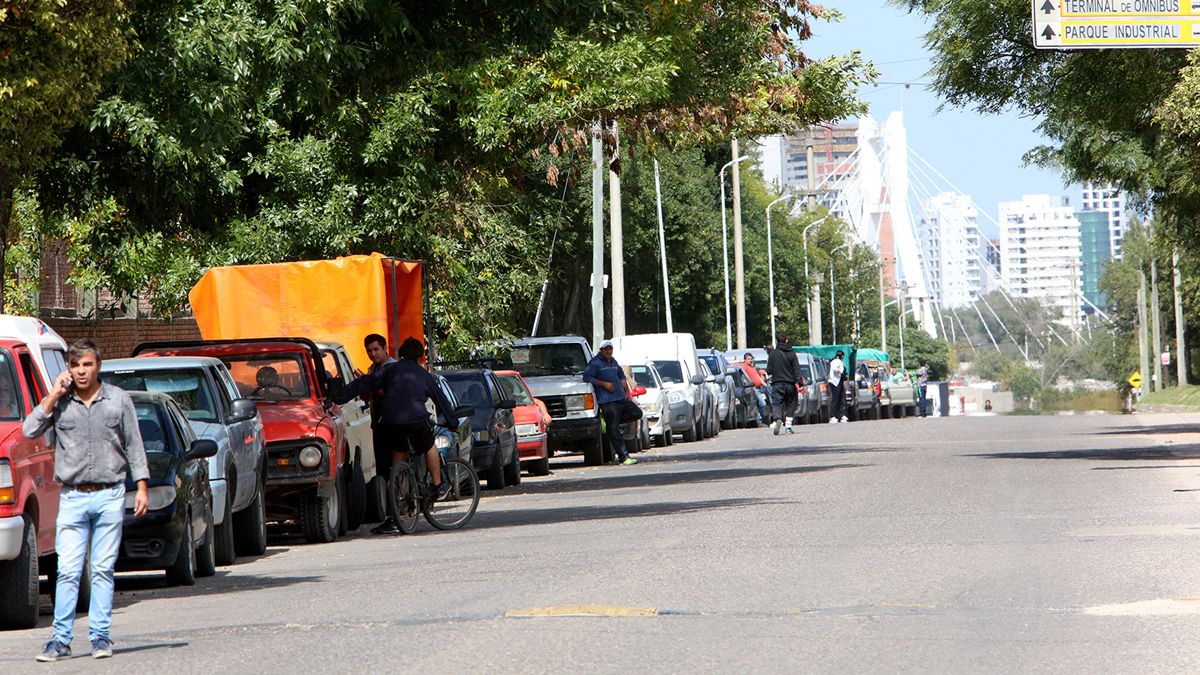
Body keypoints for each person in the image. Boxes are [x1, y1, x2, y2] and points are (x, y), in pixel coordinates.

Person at [24, 339, 149, 662]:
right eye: (75, 365)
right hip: (73, 497)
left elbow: (135, 445)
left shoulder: (117, 400)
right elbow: (29, 430)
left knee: (103, 569)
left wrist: (143, 488)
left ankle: (100, 637)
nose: (81, 371)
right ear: (68, 369)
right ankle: (60, 640)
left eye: (87, 364)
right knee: (67, 570)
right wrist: (53, 394)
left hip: (110, 494)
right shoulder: (61, 403)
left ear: (98, 367)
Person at [333, 336, 458, 535]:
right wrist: (452, 422)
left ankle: (397, 493)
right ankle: (438, 485)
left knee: (398, 454)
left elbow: (364, 384)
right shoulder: (424, 374)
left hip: (391, 422)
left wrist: (336, 396)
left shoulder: (389, 370)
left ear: (399, 355)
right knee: (428, 446)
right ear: (421, 356)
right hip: (416, 420)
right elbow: (440, 399)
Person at [582, 340, 637, 465]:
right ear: (601, 350)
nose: (608, 351)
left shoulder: (613, 361)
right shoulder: (595, 363)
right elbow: (587, 377)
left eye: (610, 348)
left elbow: (621, 374)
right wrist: (604, 384)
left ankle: (610, 422)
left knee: (636, 413)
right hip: (607, 401)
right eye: (606, 349)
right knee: (614, 430)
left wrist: (624, 383)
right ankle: (624, 457)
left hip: (620, 398)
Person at [766, 336, 801, 435]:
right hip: (790, 384)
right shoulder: (792, 353)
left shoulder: (773, 354)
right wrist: (800, 382)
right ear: (786, 341)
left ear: (777, 341)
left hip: (777, 384)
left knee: (776, 403)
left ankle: (778, 419)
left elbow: (769, 370)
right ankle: (788, 427)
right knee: (791, 404)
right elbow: (797, 369)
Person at [828, 349, 848, 423]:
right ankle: (832, 416)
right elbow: (835, 369)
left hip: (836, 381)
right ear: (842, 356)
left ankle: (842, 415)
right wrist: (841, 373)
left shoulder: (833, 361)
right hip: (836, 382)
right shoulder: (837, 361)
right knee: (836, 399)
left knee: (840, 398)